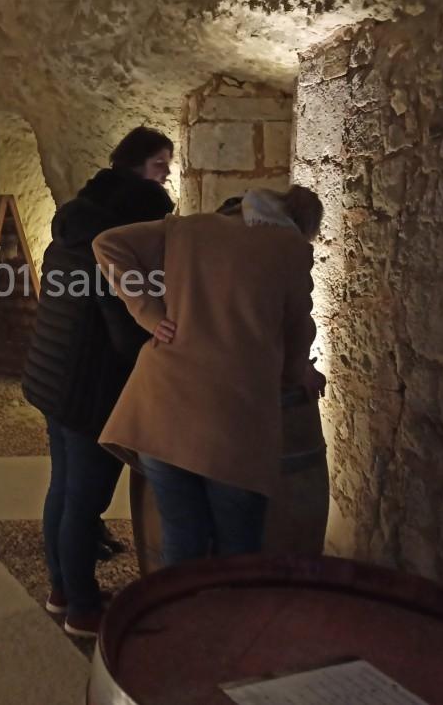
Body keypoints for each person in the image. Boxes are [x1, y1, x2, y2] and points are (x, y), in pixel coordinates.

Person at [92, 186, 325, 567]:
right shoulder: (291, 248)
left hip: (160, 411)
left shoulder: (191, 228)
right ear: (301, 226)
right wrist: (294, 372)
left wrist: (148, 312)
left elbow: (108, 245)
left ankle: (180, 622)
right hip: (230, 422)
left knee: (182, 540)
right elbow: (299, 329)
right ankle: (225, 625)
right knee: (238, 549)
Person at [21, 126, 176, 639]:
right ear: (138, 174)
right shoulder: (117, 245)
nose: (168, 177)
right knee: (85, 499)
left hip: (54, 380)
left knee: (64, 489)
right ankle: (84, 609)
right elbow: (123, 329)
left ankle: (64, 589)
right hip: (91, 388)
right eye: (161, 166)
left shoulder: (73, 227)